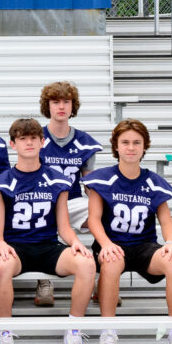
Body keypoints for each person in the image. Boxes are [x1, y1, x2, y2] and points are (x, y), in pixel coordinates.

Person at [84, 119, 172, 344]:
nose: (131, 147)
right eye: (125, 142)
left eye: (137, 142)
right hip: (112, 243)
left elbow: (166, 222)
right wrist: (105, 244)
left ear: (144, 146)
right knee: (112, 261)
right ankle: (108, 331)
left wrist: (170, 243)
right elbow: (93, 219)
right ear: (116, 146)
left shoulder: (153, 181)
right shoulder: (102, 178)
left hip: (144, 245)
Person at [0, 118, 96, 344]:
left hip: (48, 246)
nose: (29, 143)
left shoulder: (58, 180)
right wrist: (1, 244)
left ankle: (73, 332)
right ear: (13, 144)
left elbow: (64, 227)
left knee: (87, 263)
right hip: (16, 247)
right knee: (2, 265)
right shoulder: (1, 182)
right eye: (23, 139)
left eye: (33, 138)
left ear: (42, 142)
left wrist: (76, 242)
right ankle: (4, 333)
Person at [34, 81, 103, 307]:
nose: (61, 106)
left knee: (107, 215)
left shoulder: (84, 141)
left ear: (73, 106)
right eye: (56, 102)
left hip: (71, 201)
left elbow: (89, 183)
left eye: (66, 101)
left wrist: (99, 206)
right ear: (48, 106)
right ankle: (44, 281)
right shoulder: (36, 137)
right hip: (41, 201)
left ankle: (102, 276)